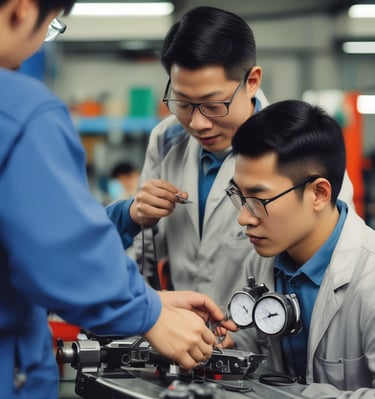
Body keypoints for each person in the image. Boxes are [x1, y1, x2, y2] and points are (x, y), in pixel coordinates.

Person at [0, 1, 236, 398]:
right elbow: (62, 252)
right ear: (22, 9)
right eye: (52, 25)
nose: (198, 121)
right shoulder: (21, 109)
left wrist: (148, 301)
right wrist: (148, 312)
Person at [106, 6, 354, 348]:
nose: (197, 123)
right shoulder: (166, 140)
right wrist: (136, 216)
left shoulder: (300, 153)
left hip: (262, 351)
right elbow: (144, 253)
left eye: (212, 104)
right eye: (182, 103)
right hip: (180, 344)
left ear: (251, 81)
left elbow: (331, 284)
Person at [226, 99, 375, 397]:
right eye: (237, 195)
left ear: (319, 193)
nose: (243, 217)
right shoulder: (260, 263)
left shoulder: (368, 278)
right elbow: (254, 356)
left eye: (258, 199)